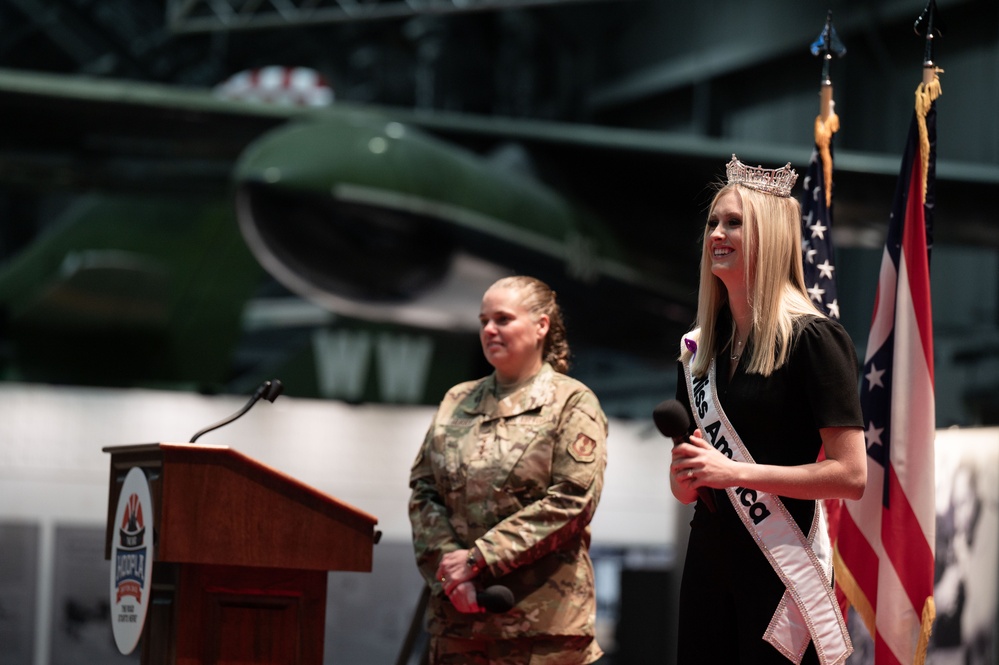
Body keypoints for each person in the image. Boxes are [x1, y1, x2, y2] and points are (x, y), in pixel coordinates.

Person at [669, 155, 867, 664]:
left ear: (771, 236)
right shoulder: (698, 352)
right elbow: (691, 485)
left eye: (734, 222)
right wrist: (684, 479)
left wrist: (736, 471)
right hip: (707, 566)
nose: (717, 233)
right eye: (713, 222)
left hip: (780, 568)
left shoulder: (815, 340)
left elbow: (850, 474)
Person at [408, 275, 608, 665]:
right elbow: (424, 490)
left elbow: (573, 500)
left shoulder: (572, 402)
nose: (488, 330)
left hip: (540, 630)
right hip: (459, 624)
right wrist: (449, 571)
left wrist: (478, 558)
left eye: (502, 319)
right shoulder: (457, 400)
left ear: (541, 326)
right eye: (484, 320)